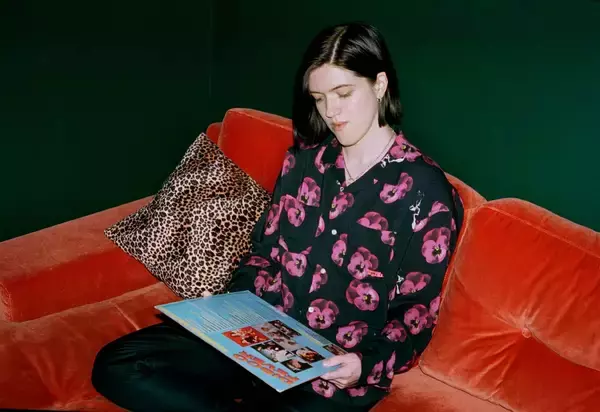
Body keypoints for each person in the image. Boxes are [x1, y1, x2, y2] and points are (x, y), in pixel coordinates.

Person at [92, 21, 464, 411]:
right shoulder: (303, 162)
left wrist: (363, 364)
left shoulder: (425, 191)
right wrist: (228, 307)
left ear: (380, 84)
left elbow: (417, 313)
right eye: (319, 98)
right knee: (119, 364)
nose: (331, 112)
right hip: (257, 342)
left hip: (330, 375)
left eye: (343, 93)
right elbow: (263, 253)